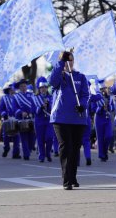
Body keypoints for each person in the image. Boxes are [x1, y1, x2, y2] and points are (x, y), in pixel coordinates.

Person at [48, 50, 89, 190]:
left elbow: (85, 94)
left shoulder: (81, 77)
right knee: (66, 147)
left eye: (71, 60)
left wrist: (82, 106)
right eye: (67, 60)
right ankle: (66, 180)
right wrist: (61, 63)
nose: (69, 62)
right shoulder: (59, 76)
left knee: (75, 149)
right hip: (60, 118)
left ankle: (73, 177)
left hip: (78, 118)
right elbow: (52, 81)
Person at [32, 77, 54, 162]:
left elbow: (53, 109)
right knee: (40, 139)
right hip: (39, 120)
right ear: (39, 88)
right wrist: (41, 107)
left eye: (45, 87)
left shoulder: (51, 97)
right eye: (42, 88)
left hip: (48, 120)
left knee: (49, 137)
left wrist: (48, 105)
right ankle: (41, 155)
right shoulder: (35, 98)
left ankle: (48, 153)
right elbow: (33, 110)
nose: (43, 89)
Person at [93, 82, 114, 162]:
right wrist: (101, 107)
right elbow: (94, 109)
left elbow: (112, 108)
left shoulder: (109, 98)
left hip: (107, 118)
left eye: (104, 88)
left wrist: (108, 106)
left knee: (109, 136)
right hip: (99, 118)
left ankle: (105, 151)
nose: (104, 90)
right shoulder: (95, 97)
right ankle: (102, 155)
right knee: (100, 137)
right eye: (102, 89)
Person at [14, 79, 35, 160]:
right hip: (21, 119)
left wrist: (32, 112)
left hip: (31, 118)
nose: (23, 88)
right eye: (22, 86)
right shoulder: (16, 97)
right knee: (24, 137)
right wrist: (21, 112)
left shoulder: (32, 95)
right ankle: (26, 154)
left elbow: (35, 105)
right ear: (19, 87)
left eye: (24, 86)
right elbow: (14, 108)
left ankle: (29, 150)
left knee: (32, 137)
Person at [0, 83, 20, 159]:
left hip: (16, 118)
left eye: (13, 89)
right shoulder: (4, 98)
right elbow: (1, 108)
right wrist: (4, 114)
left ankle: (15, 153)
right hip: (7, 118)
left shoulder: (18, 97)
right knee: (6, 136)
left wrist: (19, 113)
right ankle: (6, 148)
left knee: (16, 136)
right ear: (8, 90)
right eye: (10, 90)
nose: (12, 91)